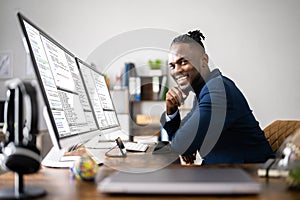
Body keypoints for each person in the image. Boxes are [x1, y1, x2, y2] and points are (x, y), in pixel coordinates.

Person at [161, 30, 274, 165]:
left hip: (249, 177)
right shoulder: (205, 90)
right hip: (223, 173)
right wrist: (171, 110)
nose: (177, 70)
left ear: (204, 60)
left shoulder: (217, 92)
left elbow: (180, 144)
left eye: (183, 62)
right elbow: (181, 137)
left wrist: (186, 145)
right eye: (172, 66)